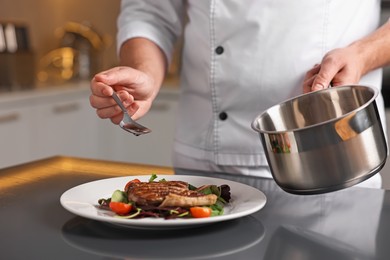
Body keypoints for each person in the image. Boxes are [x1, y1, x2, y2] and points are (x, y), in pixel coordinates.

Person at [90, 1, 389, 188]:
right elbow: (150, 12)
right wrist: (145, 72)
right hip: (204, 160)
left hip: (328, 155)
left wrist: (362, 55)